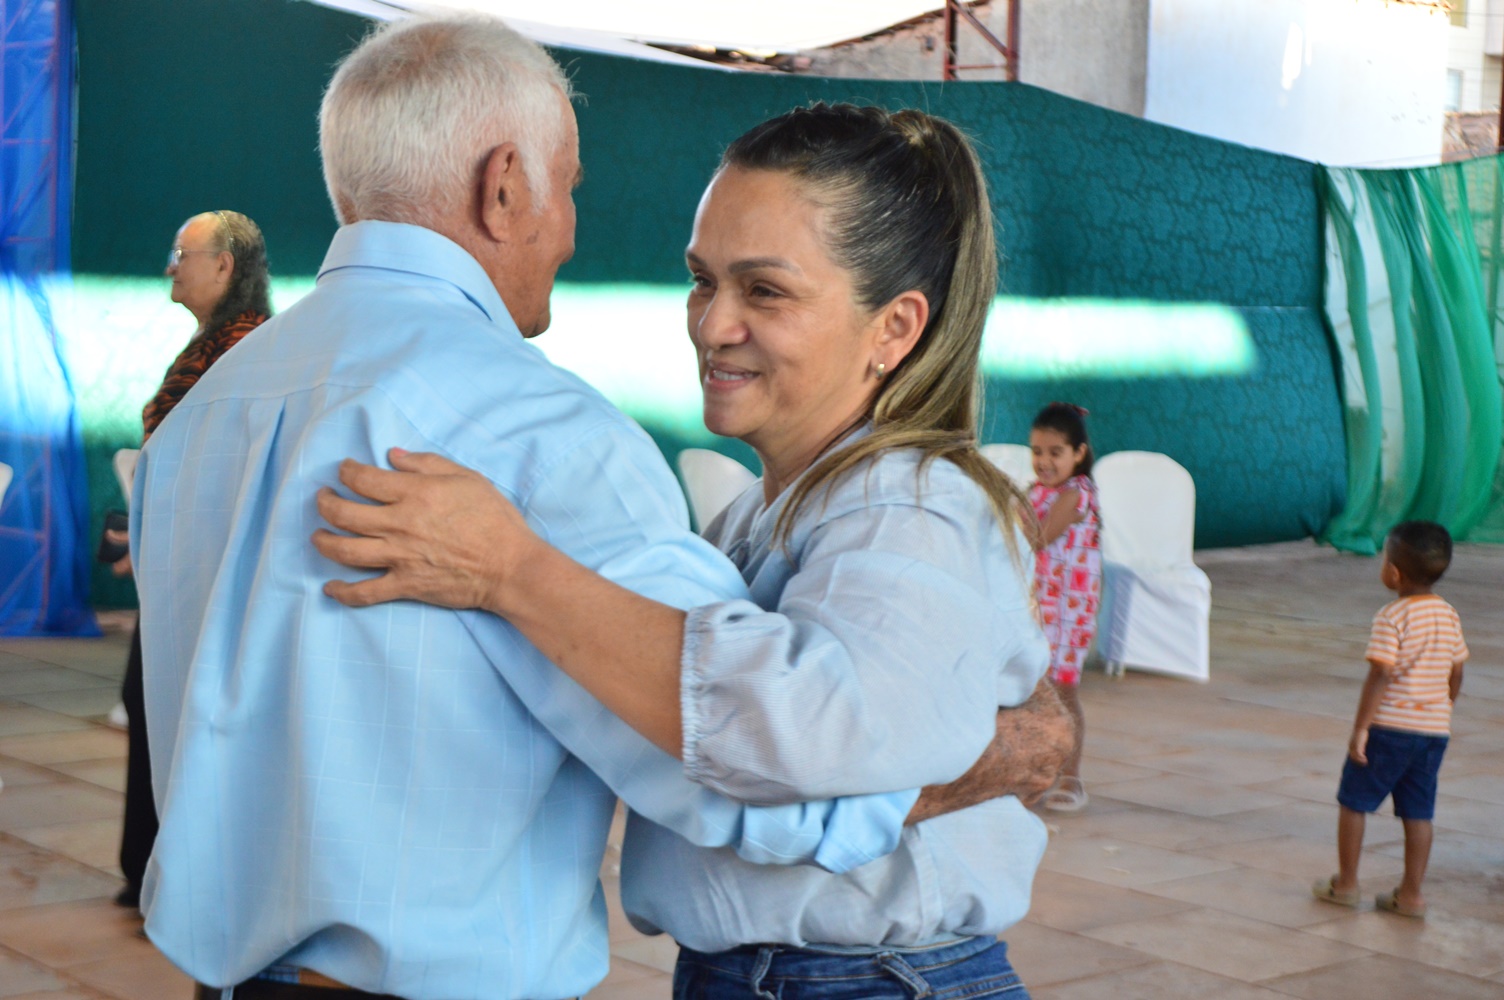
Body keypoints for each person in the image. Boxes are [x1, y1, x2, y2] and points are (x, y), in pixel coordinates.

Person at [133, 18, 1066, 1000]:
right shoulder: (541, 428)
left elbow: (745, 738)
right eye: (704, 280)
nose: (710, 323)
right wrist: (998, 754)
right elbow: (739, 775)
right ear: (505, 185)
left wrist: (520, 573)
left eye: (762, 289)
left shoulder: (203, 413)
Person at [109, 209, 271, 911]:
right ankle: (151, 874)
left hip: (208, 577)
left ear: (226, 266)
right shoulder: (214, 346)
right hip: (180, 564)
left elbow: (225, 472)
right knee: (147, 707)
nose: (171, 266)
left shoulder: (250, 351)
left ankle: (181, 883)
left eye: (183, 253)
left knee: (181, 719)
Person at [1312, 520, 1467, 919]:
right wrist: (1444, 705)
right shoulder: (1448, 615)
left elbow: (1380, 673)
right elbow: (1456, 669)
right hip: (1433, 733)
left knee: (1354, 802)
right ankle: (1411, 895)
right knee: (1419, 813)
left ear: (1394, 573)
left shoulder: (1392, 616)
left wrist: (1361, 728)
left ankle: (1346, 884)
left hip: (1389, 730)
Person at [1026, 402, 1100, 813]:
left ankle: (1071, 778)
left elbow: (1038, 536)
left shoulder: (1076, 495)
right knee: (1034, 692)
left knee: (1064, 692)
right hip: (1039, 608)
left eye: (1055, 452)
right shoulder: (1037, 491)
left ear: (1079, 454)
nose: (1044, 461)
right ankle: (1036, 772)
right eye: (1037, 451)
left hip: (1069, 613)